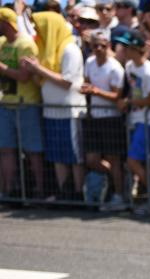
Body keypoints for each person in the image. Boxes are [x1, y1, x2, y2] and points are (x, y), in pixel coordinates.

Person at [23, 11, 86, 202]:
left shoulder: (70, 49)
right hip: (51, 111)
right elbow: (43, 78)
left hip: (69, 111)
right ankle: (63, 191)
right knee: (58, 155)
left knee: (74, 156)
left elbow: (66, 81)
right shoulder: (44, 49)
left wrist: (38, 69)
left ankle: (78, 192)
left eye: (39, 26)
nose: (36, 30)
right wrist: (31, 69)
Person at [117, 28, 150, 210]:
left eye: (127, 47)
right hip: (135, 118)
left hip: (148, 121)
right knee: (140, 162)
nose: (124, 50)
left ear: (136, 49)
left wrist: (130, 102)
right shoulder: (130, 67)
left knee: (133, 162)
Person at [0, 7, 45, 200]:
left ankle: (40, 191)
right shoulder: (1, 43)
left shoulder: (26, 44)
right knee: (6, 150)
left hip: (26, 104)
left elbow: (24, 77)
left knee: (33, 151)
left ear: (6, 23)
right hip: (6, 103)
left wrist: (1, 68)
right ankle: (9, 190)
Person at [80, 28, 127, 211]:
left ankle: (119, 193)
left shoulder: (115, 67)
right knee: (91, 159)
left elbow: (117, 96)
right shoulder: (90, 62)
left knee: (113, 158)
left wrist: (96, 91)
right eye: (94, 46)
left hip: (111, 118)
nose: (98, 48)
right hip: (94, 116)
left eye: (102, 45)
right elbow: (87, 82)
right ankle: (118, 179)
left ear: (108, 46)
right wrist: (86, 90)